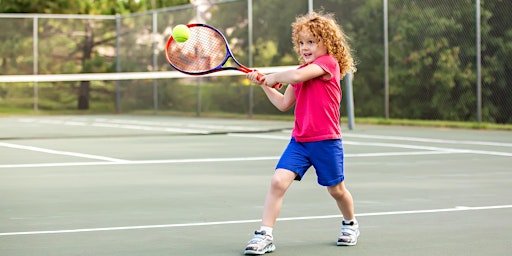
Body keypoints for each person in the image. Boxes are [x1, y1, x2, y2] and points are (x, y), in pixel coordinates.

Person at [243, 11, 359, 255]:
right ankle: (265, 235)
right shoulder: (301, 72)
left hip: (326, 141)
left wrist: (271, 76)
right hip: (300, 141)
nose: (305, 47)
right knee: (277, 182)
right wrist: (265, 85)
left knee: (336, 190)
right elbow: (284, 104)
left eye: (312, 42)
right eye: (301, 42)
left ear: (328, 43)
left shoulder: (328, 64)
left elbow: (294, 75)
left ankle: (350, 224)